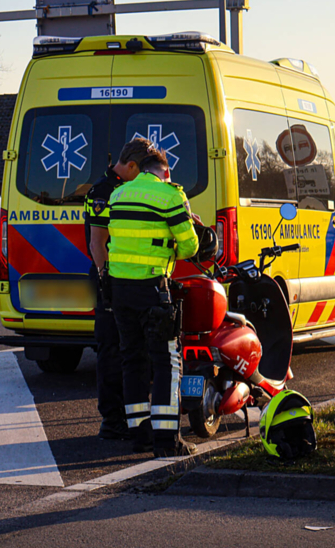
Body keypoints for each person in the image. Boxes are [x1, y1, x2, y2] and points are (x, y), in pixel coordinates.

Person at [106, 148, 201, 457]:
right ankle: (166, 441)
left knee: (132, 360)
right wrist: (182, 225)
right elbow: (190, 247)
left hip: (120, 290)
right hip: (152, 289)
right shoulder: (170, 196)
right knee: (167, 362)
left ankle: (141, 435)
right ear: (166, 172)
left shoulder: (119, 194)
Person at [84, 137, 154, 440]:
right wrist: (107, 281)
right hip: (111, 280)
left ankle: (135, 416)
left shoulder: (130, 188)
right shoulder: (103, 191)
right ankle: (113, 420)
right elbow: (97, 243)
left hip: (132, 279)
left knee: (135, 350)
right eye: (143, 173)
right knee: (112, 350)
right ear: (132, 166)